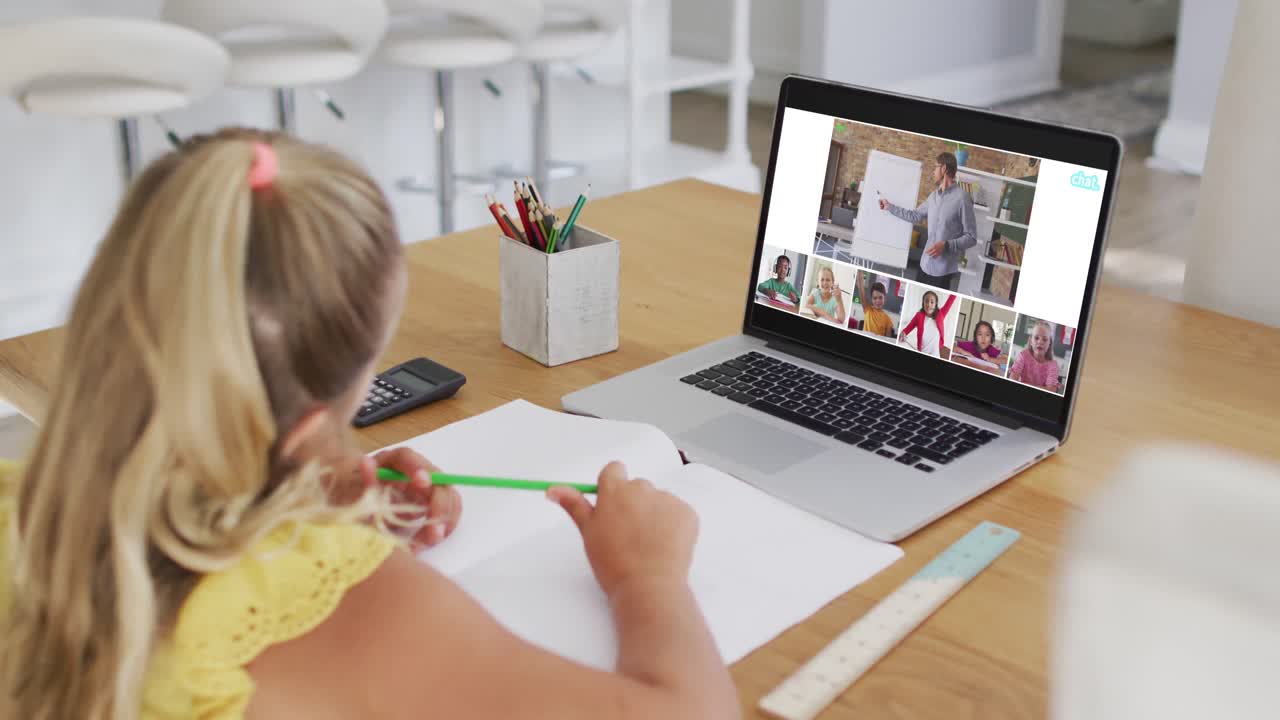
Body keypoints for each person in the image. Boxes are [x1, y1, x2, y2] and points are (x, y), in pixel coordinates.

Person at [0, 129, 738, 720]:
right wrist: (646, 575)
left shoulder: (18, 508)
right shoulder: (339, 610)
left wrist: (295, 503)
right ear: (307, 425)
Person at [878, 151, 977, 292]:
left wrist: (947, 245)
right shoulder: (933, 196)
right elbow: (915, 216)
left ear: (944, 168)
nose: (933, 172)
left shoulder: (962, 198)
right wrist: (890, 207)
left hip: (943, 272)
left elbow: (972, 237)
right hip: (924, 266)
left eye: (935, 167)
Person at [899, 290, 957, 358]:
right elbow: (907, 329)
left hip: (936, 354)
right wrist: (903, 333)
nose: (929, 304)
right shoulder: (918, 316)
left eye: (932, 302)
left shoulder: (940, 314)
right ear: (923, 303)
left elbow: (950, 301)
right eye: (926, 301)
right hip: (922, 352)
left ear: (935, 304)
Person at [1009, 320, 1061, 392]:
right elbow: (1012, 379)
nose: (1040, 342)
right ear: (1030, 341)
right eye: (1036, 338)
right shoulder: (1023, 356)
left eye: (1045, 339)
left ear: (1049, 343)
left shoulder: (1053, 366)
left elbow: (1051, 390)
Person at [852, 273, 896, 337]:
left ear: (885, 298)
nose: (878, 301)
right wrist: (859, 271)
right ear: (872, 299)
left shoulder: (888, 320)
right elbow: (860, 286)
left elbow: (887, 340)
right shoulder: (867, 309)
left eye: (880, 297)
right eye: (875, 298)